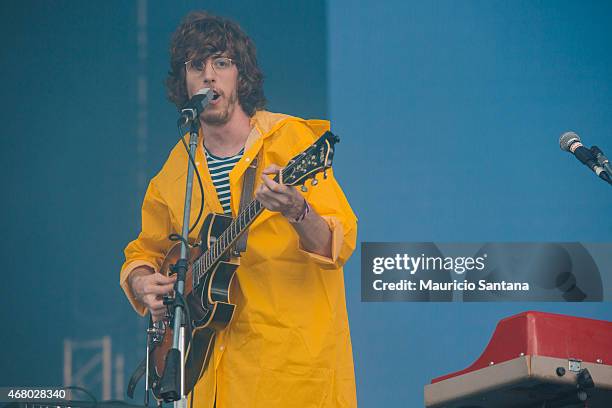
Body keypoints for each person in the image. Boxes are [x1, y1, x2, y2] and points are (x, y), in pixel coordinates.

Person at [120, 11, 358, 408]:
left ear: (240, 77)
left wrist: (298, 209)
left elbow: (341, 241)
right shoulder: (175, 170)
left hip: (289, 376)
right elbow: (144, 252)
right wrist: (141, 282)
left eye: (222, 63)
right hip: (208, 381)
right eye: (197, 65)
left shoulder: (289, 139)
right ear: (184, 81)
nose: (209, 75)